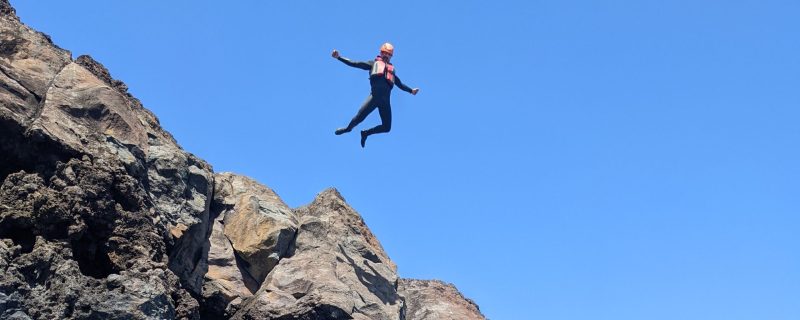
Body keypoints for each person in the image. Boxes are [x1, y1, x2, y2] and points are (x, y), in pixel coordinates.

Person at [332, 43, 419, 147]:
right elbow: (355, 63)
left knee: (387, 128)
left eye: (389, 54)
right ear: (381, 53)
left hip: (385, 102)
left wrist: (411, 91)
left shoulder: (391, 71)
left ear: (391, 56)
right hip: (374, 98)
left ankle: (366, 133)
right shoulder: (373, 64)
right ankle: (347, 129)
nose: (386, 56)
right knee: (359, 118)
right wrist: (339, 57)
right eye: (385, 53)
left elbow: (400, 84)